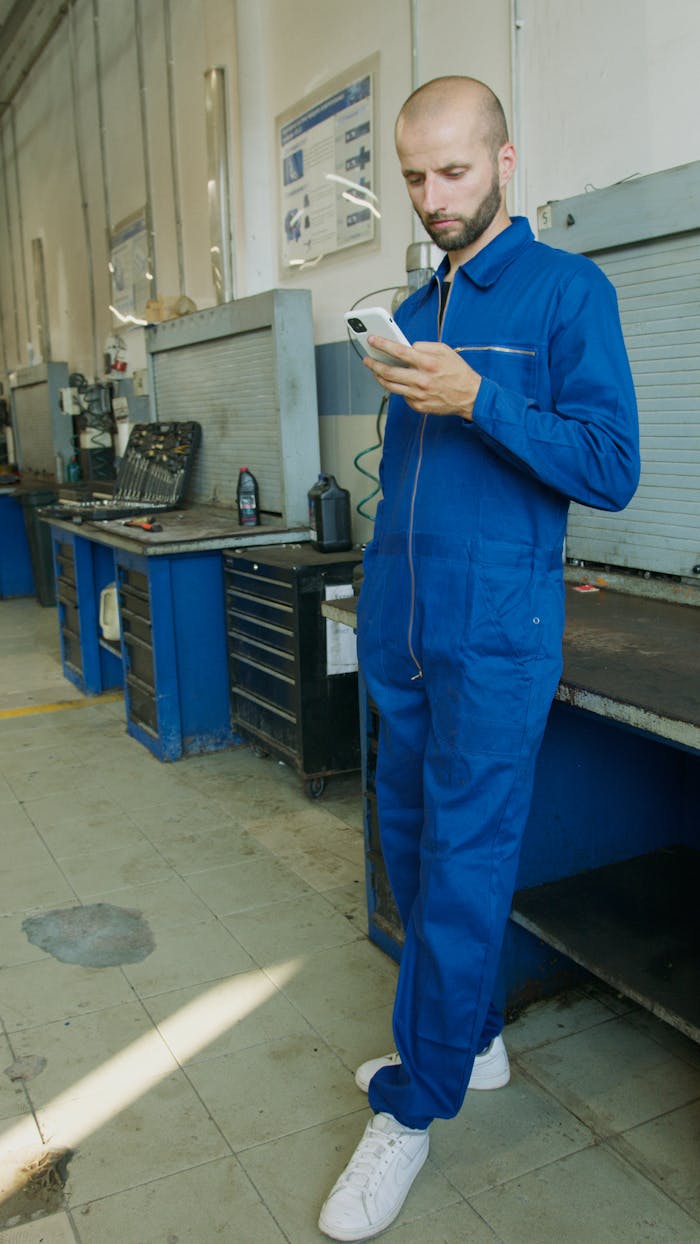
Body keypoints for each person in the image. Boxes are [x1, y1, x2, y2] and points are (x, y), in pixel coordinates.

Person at [318, 75, 640, 1241]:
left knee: (460, 855)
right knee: (405, 837)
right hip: (401, 617)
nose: (429, 197)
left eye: (451, 171)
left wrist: (478, 395)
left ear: (505, 161)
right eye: (410, 176)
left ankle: (414, 1105)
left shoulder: (567, 292)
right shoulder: (416, 299)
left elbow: (609, 464)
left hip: (493, 633)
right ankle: (475, 1035)